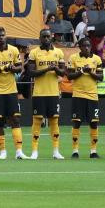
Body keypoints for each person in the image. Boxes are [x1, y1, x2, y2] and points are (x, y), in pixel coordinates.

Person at [0, 27, 27, 160]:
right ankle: (2, 151)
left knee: (15, 119)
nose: (1, 37)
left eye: (3, 35)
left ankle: (19, 151)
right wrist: (3, 67)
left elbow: (19, 67)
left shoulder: (13, 50)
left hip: (11, 91)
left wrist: (13, 68)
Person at [26, 31, 68, 161]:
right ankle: (34, 151)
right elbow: (31, 72)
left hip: (53, 93)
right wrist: (47, 69)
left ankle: (56, 151)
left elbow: (63, 72)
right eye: (43, 36)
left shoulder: (59, 52)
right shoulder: (34, 52)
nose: (46, 38)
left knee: (54, 121)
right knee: (37, 121)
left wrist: (56, 69)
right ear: (39, 38)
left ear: (51, 37)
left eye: (48, 36)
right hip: (39, 93)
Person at [68, 36, 103, 159]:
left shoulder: (97, 59)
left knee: (94, 123)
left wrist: (90, 72)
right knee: (77, 122)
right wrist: (82, 71)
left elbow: (101, 77)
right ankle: (75, 151)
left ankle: (93, 151)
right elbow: (69, 76)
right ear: (80, 47)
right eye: (84, 46)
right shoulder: (73, 58)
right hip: (78, 95)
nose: (87, 48)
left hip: (92, 96)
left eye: (88, 46)